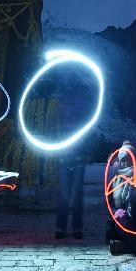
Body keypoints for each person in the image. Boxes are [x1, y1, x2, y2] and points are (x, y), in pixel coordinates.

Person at [55, 95, 88, 239]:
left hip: (78, 160)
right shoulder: (61, 123)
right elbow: (56, 140)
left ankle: (76, 228)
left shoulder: (82, 123)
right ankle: (61, 227)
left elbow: (86, 141)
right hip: (64, 160)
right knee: (64, 194)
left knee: (76, 195)